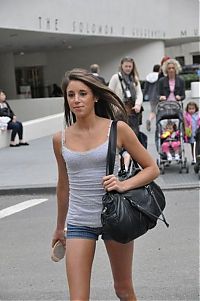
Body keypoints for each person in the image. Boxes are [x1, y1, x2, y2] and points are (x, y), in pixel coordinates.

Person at [51, 68, 159, 300]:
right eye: (71, 95)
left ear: (95, 96)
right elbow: (63, 185)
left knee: (123, 290)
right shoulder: (60, 138)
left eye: (83, 93)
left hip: (115, 217)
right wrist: (60, 227)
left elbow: (152, 168)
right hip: (79, 220)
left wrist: (123, 184)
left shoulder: (117, 129)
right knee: (78, 298)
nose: (76, 100)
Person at [109, 57, 143, 172]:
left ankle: (132, 163)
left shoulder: (135, 79)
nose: (128, 68)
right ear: (122, 66)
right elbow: (110, 93)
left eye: (130, 66)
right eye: (126, 66)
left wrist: (138, 104)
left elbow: (139, 93)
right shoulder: (116, 78)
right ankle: (121, 165)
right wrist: (115, 108)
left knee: (133, 137)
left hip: (132, 112)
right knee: (119, 138)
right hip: (119, 113)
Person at [143, 64, 160, 131]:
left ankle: (149, 119)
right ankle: (158, 124)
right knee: (159, 111)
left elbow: (146, 88)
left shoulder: (148, 77)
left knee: (153, 110)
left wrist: (144, 96)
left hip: (151, 96)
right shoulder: (159, 76)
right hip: (159, 96)